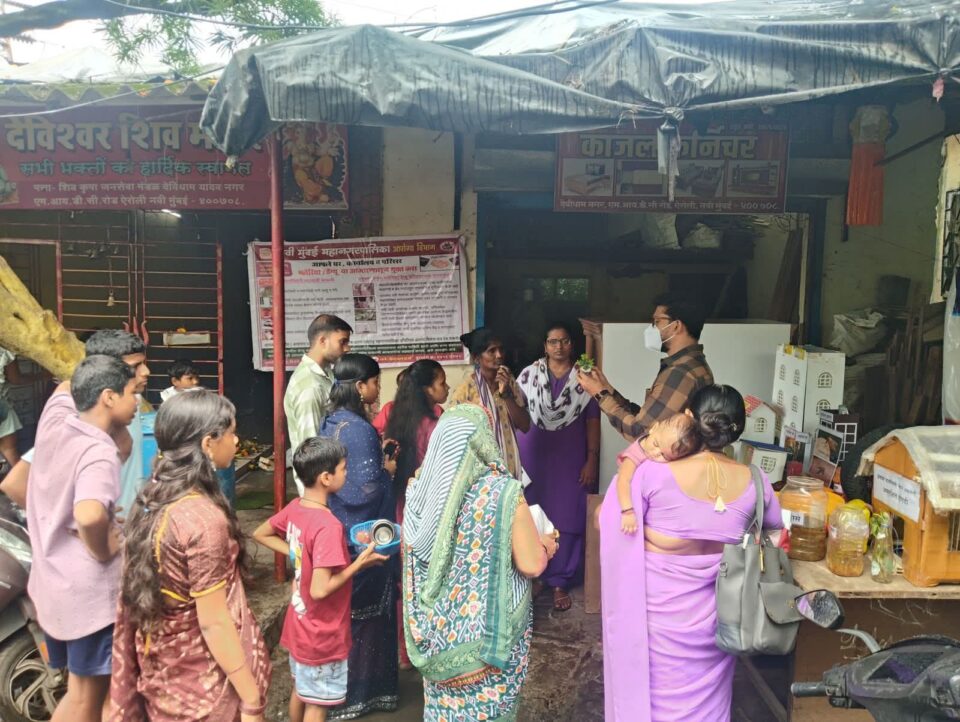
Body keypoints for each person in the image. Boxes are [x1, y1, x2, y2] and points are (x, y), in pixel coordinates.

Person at [599, 385, 783, 722]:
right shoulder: (756, 482)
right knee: (708, 705)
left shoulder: (652, 473)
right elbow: (775, 534)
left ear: (688, 417)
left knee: (650, 700)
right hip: (720, 618)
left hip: (655, 621)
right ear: (736, 431)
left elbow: (606, 522)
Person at [110, 390, 271, 722]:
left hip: (166, 677)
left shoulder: (153, 497)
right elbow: (213, 622)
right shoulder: (202, 520)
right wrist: (251, 699)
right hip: (204, 688)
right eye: (231, 432)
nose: (236, 440)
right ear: (208, 443)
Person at [402, 403, 559, 722]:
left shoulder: (419, 492)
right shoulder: (502, 493)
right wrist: (546, 545)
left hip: (438, 639)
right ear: (483, 441)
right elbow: (531, 564)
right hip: (490, 640)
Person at [27, 355, 139, 722]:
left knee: (77, 693)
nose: (137, 401)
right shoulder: (98, 451)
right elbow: (89, 514)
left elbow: (65, 386)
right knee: (89, 700)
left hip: (52, 585)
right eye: (132, 392)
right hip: (89, 597)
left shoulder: (56, 421)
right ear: (108, 397)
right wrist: (104, 547)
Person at [253, 437, 389, 722]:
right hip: (322, 634)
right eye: (343, 468)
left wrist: (298, 553)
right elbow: (320, 590)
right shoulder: (328, 525)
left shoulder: (295, 508)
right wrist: (359, 564)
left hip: (300, 625)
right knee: (317, 704)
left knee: (301, 692)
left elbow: (260, 533)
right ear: (326, 478)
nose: (346, 473)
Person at [317, 353, 399, 719]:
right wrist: (388, 472)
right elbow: (363, 490)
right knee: (367, 620)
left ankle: (336, 696)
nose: (378, 389)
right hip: (362, 538)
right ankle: (364, 695)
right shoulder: (359, 429)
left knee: (345, 619)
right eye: (376, 382)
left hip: (337, 532)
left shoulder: (331, 420)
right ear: (361, 386)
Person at [0, 330, 150, 509]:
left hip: (130, 521)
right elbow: (15, 485)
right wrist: (70, 521)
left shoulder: (131, 400)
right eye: (135, 366)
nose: (146, 371)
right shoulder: (82, 413)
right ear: (105, 369)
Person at [516, 322, 600, 612]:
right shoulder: (528, 375)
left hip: (570, 456)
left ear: (571, 345)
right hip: (535, 456)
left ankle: (560, 581)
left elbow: (593, 421)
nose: (559, 347)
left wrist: (592, 459)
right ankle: (536, 574)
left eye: (564, 341)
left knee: (568, 514)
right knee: (533, 512)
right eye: (553, 341)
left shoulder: (585, 377)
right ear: (545, 346)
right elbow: (515, 412)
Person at [377, 359, 448, 667]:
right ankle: (429, 648)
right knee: (430, 582)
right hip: (428, 511)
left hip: (399, 509)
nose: (446, 388)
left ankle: (405, 652)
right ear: (427, 389)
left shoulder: (393, 416)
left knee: (404, 583)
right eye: (441, 383)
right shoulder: (436, 423)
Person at [578, 292, 713, 441]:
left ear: (676, 326)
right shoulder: (692, 365)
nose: (652, 328)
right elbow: (645, 418)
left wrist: (599, 394)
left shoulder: (680, 372)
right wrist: (606, 389)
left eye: (657, 321)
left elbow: (640, 432)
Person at [285, 314, 353, 495]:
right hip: (319, 484)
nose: (347, 348)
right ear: (322, 341)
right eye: (342, 342)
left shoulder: (325, 374)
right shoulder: (310, 386)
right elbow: (311, 447)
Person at [449, 328, 530, 478]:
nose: (499, 355)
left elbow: (525, 425)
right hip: (481, 475)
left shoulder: (509, 382)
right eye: (491, 351)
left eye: (501, 349)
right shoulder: (465, 390)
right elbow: (454, 437)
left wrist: (506, 394)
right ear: (476, 358)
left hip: (510, 468)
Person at [614, 414, 702, 534]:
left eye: (664, 455)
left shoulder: (662, 438)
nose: (655, 453)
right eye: (656, 444)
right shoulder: (633, 455)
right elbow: (623, 480)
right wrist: (627, 511)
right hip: (625, 500)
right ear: (653, 428)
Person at [0, 345, 47, 467]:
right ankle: (24, 479)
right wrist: (43, 375)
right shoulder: (4, 347)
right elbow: (16, 379)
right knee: (10, 450)